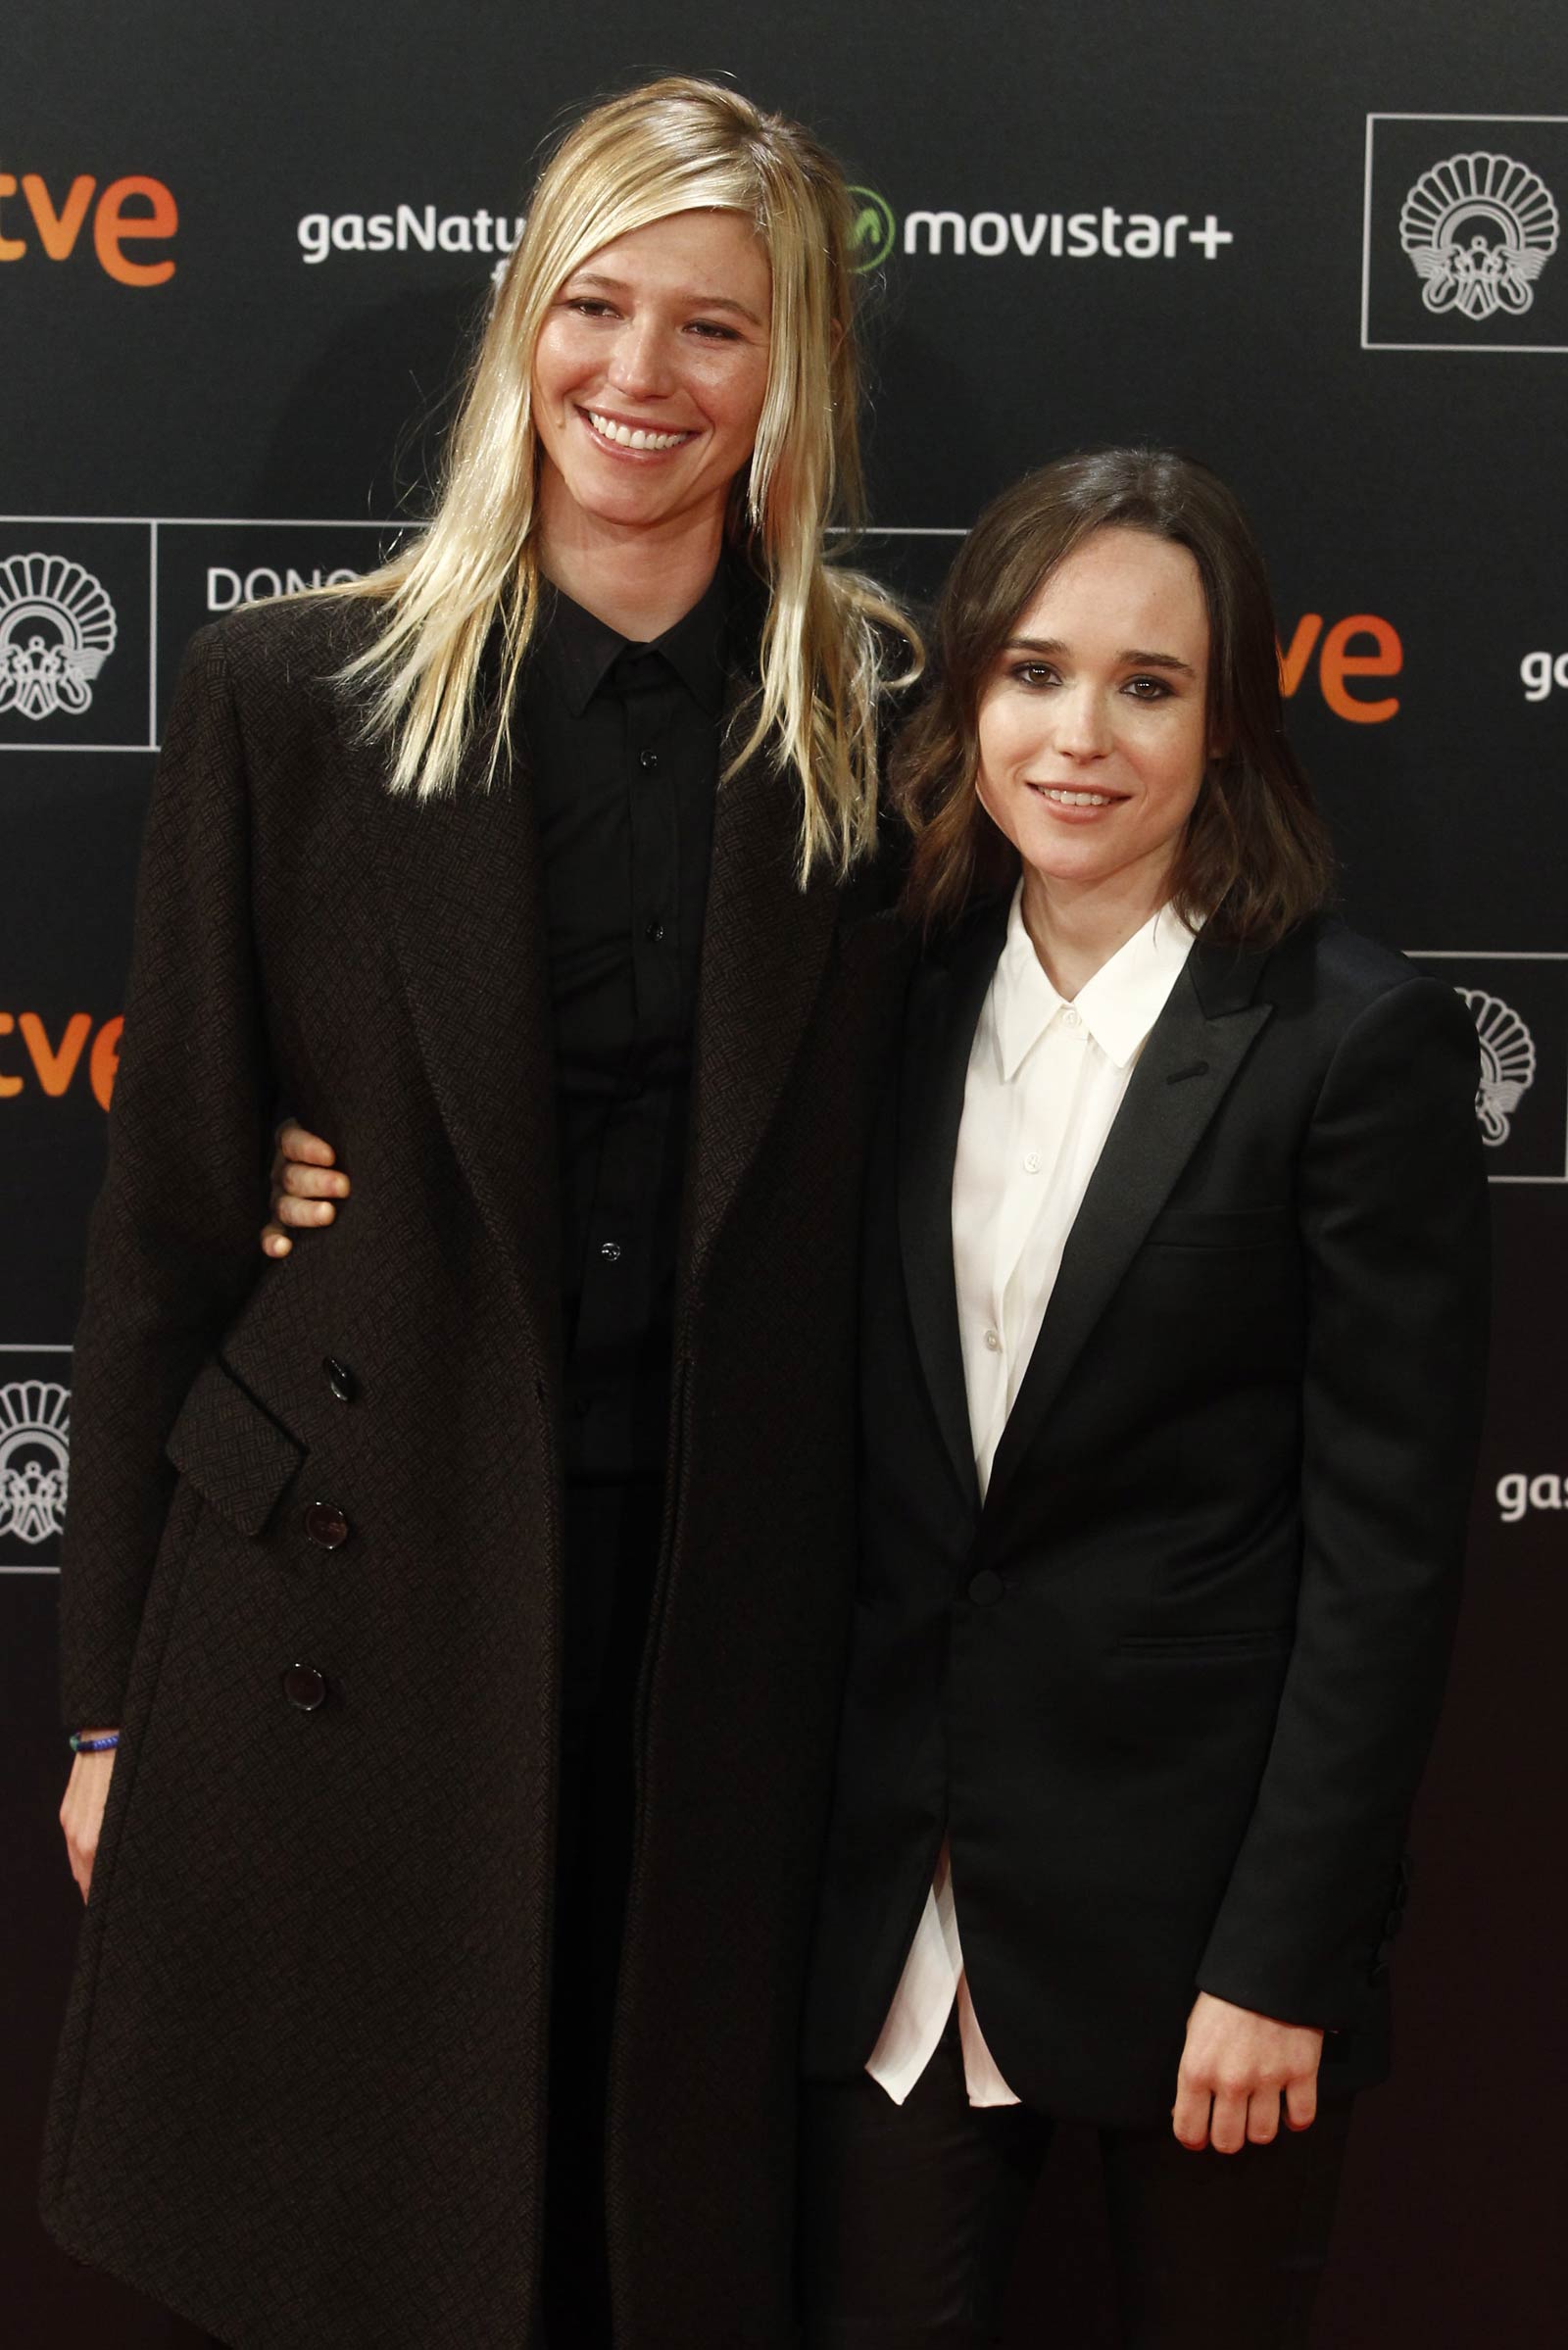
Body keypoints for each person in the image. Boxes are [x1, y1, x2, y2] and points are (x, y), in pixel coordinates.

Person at [44, 76, 918, 2350]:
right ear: (522, 319)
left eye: (713, 329)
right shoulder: (286, 701)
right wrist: (109, 1715)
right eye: (595, 306)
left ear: (791, 366)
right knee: (365, 2245)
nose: (640, 380)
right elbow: (155, 1245)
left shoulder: (872, 723)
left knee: (653, 2240)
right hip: (362, 1574)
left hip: (714, 1600)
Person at [795, 449, 1490, 2347]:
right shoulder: (888, 988)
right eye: (1028, 671)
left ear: (1227, 712)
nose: (1074, 733)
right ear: (966, 695)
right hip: (904, 1925)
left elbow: (1383, 1555)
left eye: (1143, 682)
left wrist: (1286, 1952)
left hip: (1204, 1944)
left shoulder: (1349, 1039)